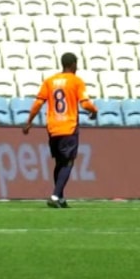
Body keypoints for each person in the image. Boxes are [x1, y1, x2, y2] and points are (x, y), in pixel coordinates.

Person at [23, 53, 97, 208]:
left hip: (53, 127)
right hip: (68, 127)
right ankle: (55, 196)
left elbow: (38, 103)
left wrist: (29, 121)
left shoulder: (50, 81)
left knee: (59, 162)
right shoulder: (76, 81)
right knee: (68, 162)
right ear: (73, 64)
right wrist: (94, 110)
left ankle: (61, 198)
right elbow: (85, 103)